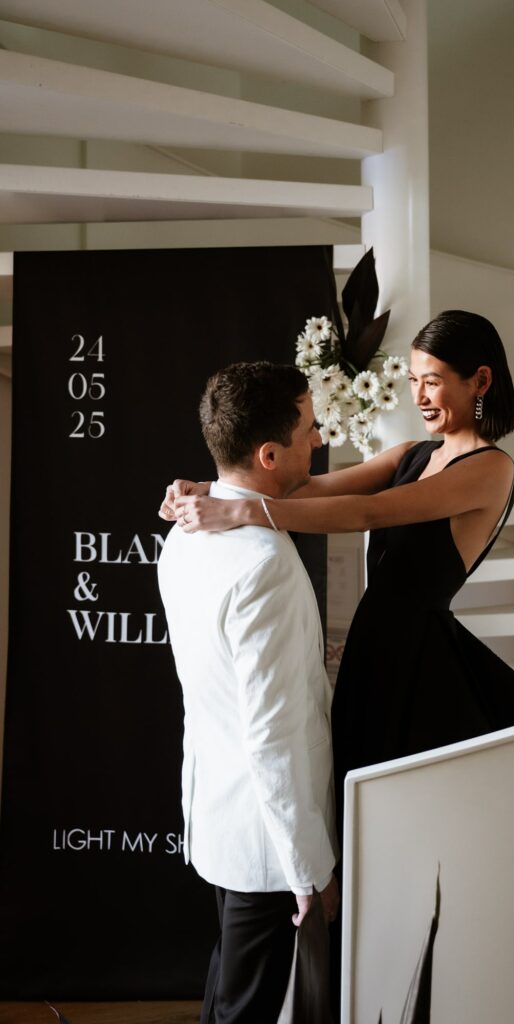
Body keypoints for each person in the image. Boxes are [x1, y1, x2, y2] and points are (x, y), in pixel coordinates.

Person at [160, 311, 514, 837]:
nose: (419, 396)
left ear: (480, 381)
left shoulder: (492, 468)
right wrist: (210, 489)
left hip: (419, 658)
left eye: (433, 381)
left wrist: (242, 511)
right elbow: (308, 489)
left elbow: (370, 512)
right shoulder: (413, 454)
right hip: (372, 648)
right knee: (356, 804)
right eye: (413, 380)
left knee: (400, 820)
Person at [157, 361, 339, 1024]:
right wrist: (308, 870)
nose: (318, 439)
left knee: (227, 996)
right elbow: (273, 736)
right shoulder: (266, 565)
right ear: (269, 455)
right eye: (309, 427)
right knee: (243, 1012)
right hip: (266, 841)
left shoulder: (182, 536)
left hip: (219, 815)